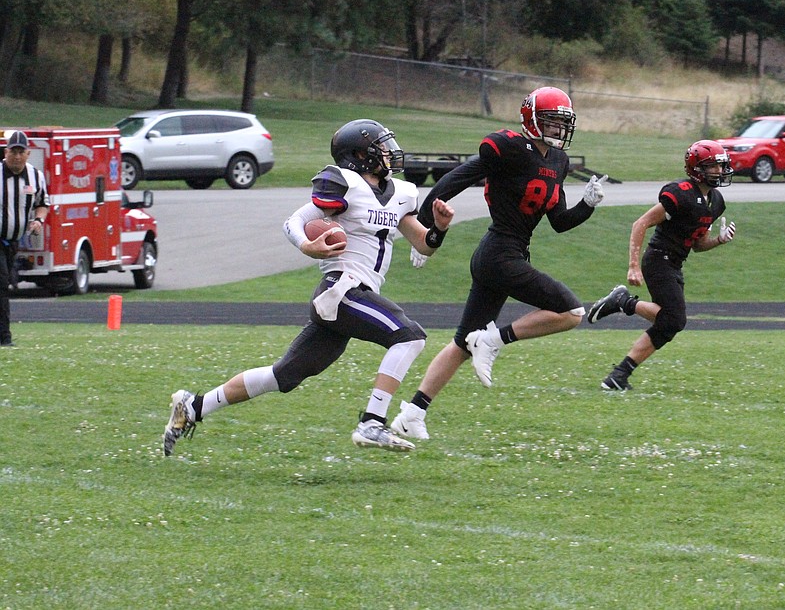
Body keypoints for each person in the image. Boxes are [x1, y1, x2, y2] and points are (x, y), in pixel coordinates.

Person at [162, 119, 454, 456]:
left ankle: (193, 406)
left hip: (353, 295)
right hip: (341, 289)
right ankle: (372, 422)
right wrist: (306, 246)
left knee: (283, 375)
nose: (389, 153)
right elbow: (294, 222)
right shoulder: (345, 183)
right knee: (410, 335)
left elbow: (423, 244)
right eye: (381, 147)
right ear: (359, 154)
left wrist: (440, 230)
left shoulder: (401, 193)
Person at [389, 86, 606, 440]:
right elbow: (453, 180)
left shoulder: (557, 161)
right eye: (551, 121)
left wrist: (588, 204)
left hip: (506, 255)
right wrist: (428, 229)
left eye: (561, 123)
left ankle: (412, 413)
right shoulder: (508, 148)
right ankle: (493, 340)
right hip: (499, 254)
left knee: (462, 343)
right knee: (571, 312)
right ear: (532, 119)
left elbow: (560, 221)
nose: (557, 129)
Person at [585, 139, 736, 390]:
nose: (719, 172)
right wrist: (633, 265)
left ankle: (618, 376)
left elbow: (698, 245)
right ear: (697, 168)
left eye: (721, 166)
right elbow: (640, 223)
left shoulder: (716, 202)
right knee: (674, 319)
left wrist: (719, 240)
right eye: (713, 167)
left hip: (675, 263)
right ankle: (623, 303)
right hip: (658, 259)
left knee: (670, 323)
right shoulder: (681, 193)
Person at [0, 131, 49, 346]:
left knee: (5, 286)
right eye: (13, 152)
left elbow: (42, 203)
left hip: (13, 243)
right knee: (2, 284)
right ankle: (4, 337)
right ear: (5, 152)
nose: (17, 157)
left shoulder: (35, 176)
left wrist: (38, 220)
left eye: (21, 152)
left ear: (28, 154)